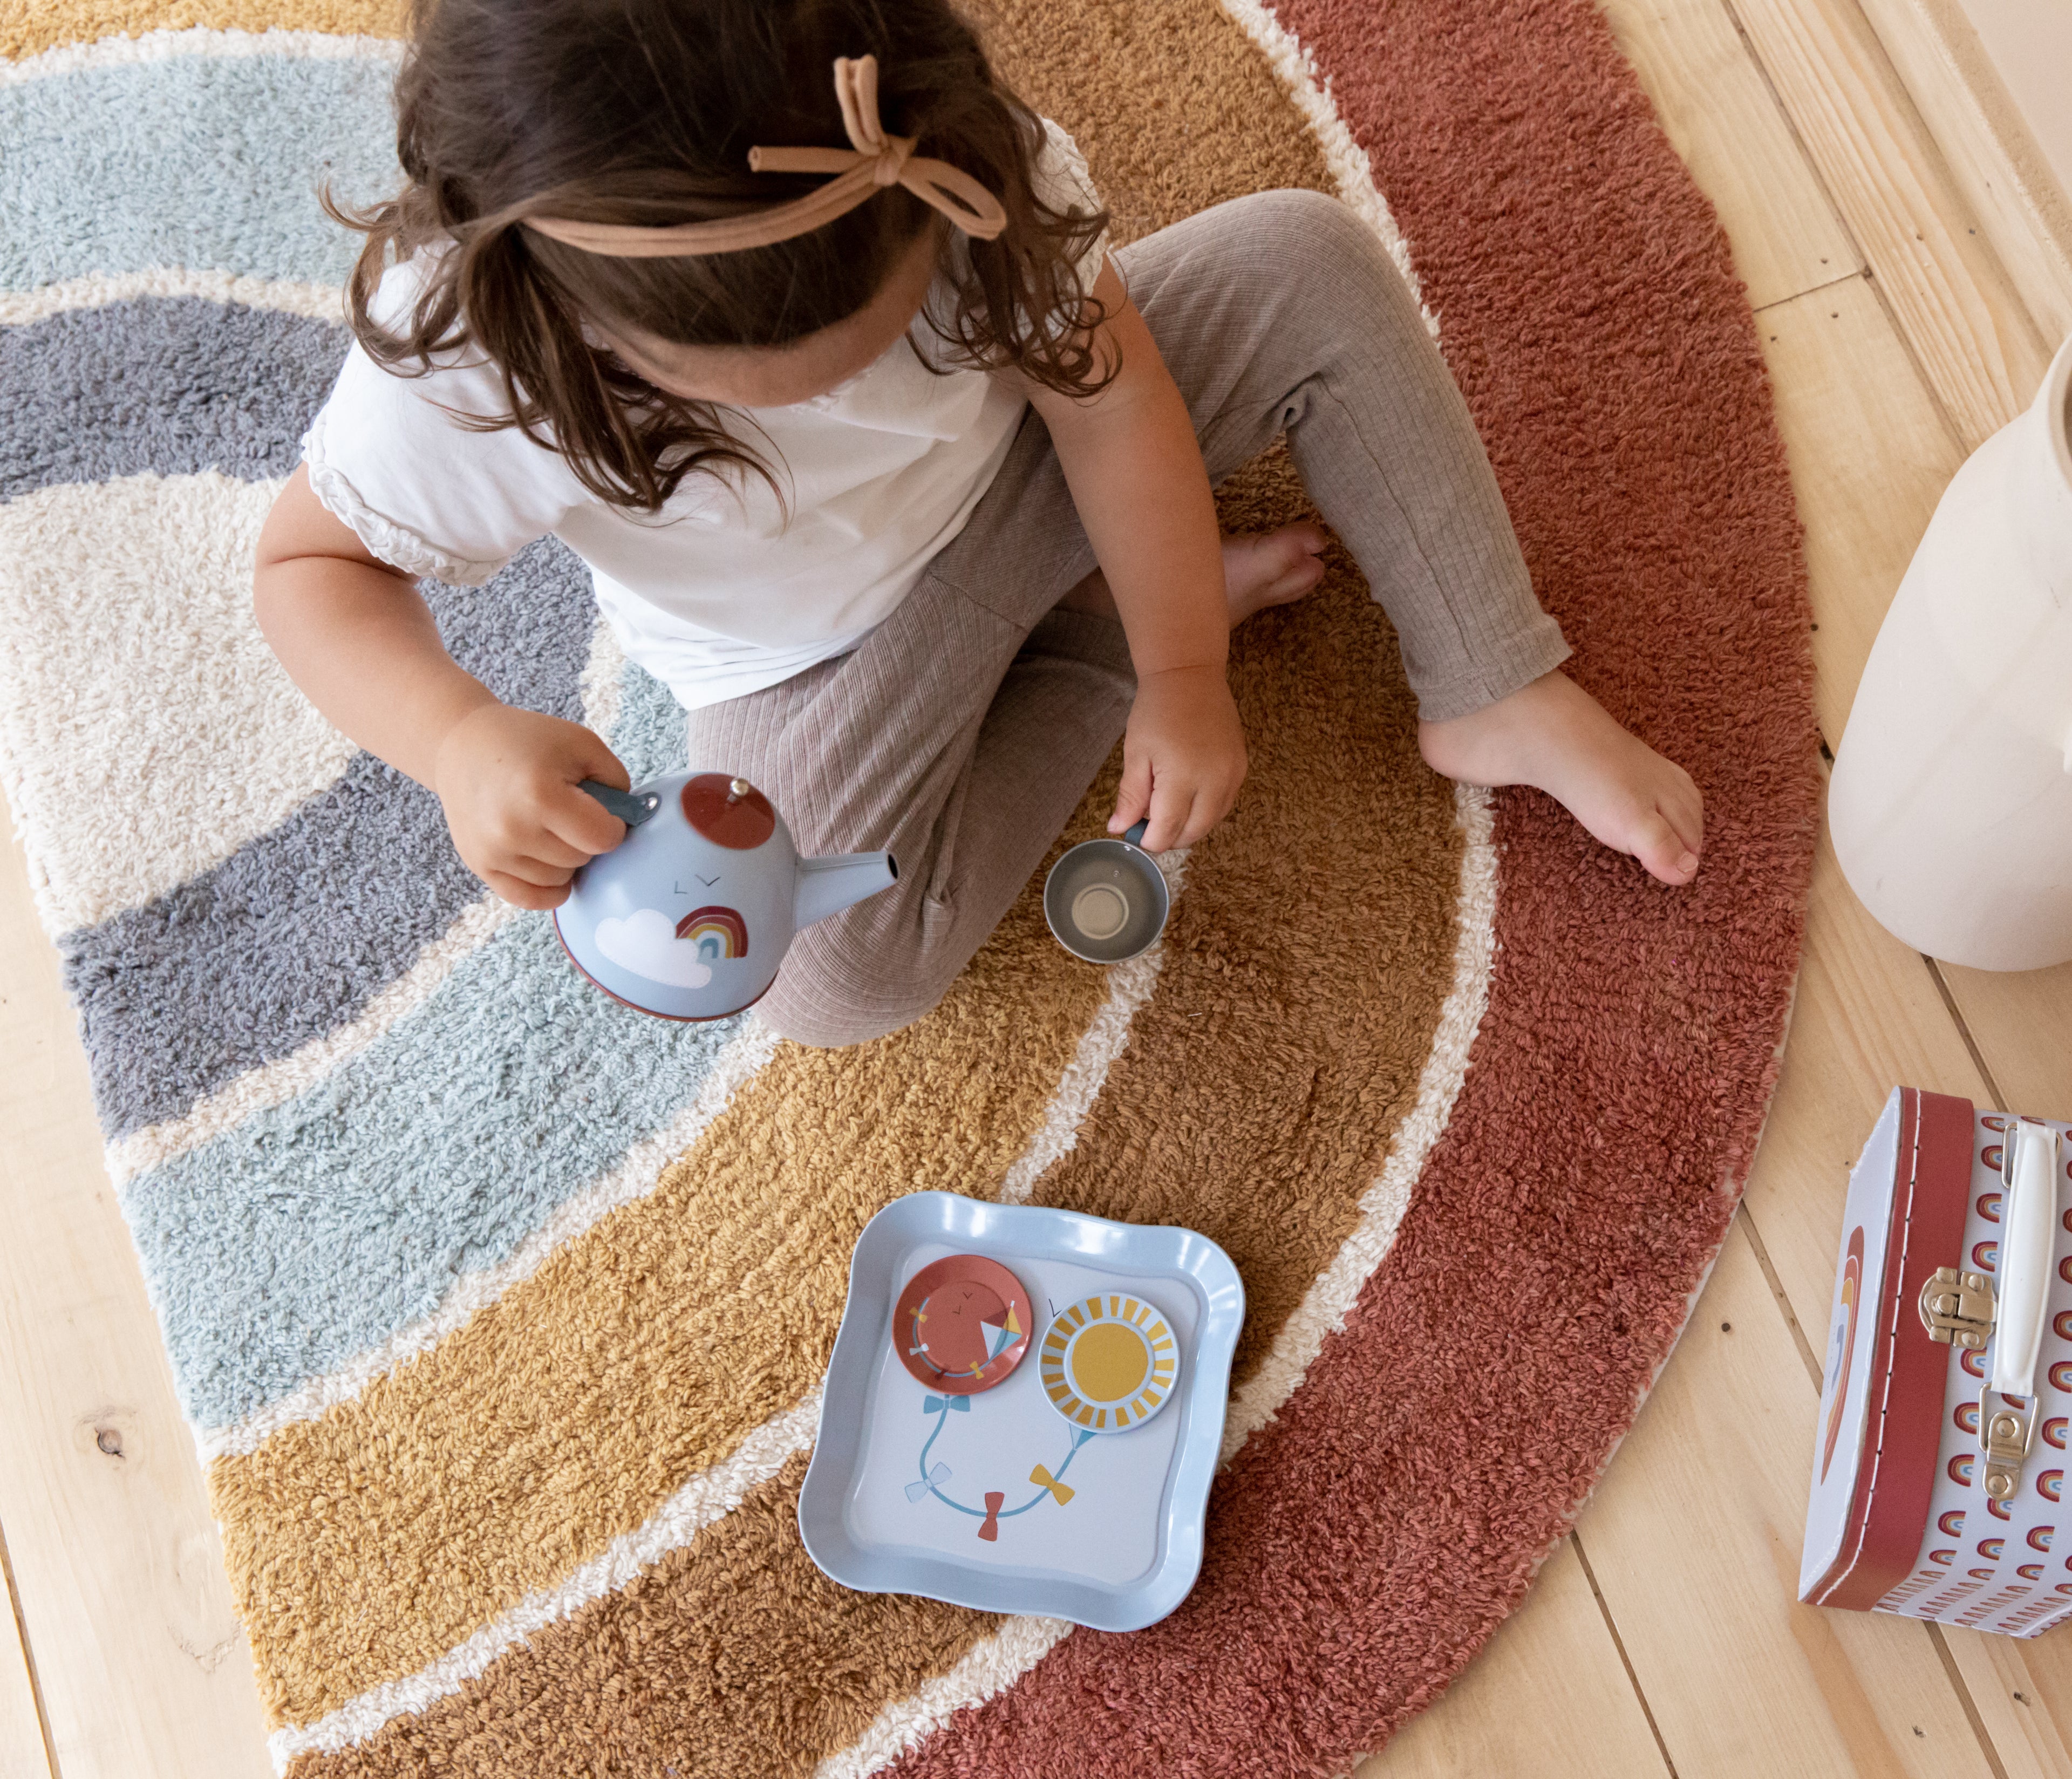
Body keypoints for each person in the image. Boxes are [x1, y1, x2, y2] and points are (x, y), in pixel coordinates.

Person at [254, 0, 1703, 1047]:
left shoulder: (951, 151)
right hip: (815, 658)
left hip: (1030, 473)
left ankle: (1490, 682)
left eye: (881, 330)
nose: (848, 389)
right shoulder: (464, 353)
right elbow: (313, 568)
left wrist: (1191, 669)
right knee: (818, 974)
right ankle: (1093, 632)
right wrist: (456, 736)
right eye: (768, 383)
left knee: (1303, 260)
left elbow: (1106, 400)